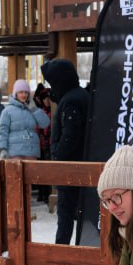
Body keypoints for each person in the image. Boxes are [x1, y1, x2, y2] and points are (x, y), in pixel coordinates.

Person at [41, 58, 89, 253]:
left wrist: (58, 157)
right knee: (78, 211)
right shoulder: (79, 95)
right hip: (81, 164)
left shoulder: (71, 100)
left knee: (66, 211)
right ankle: (76, 252)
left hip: (71, 166)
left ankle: (62, 255)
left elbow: (71, 134)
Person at [0, 79, 49, 160]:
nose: (24, 95)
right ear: (16, 94)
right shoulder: (7, 111)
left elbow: (45, 123)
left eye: (26, 92)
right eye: (21, 92)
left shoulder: (33, 109)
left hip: (32, 152)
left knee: (31, 173)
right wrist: (3, 149)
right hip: (15, 153)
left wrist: (34, 109)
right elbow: (3, 131)